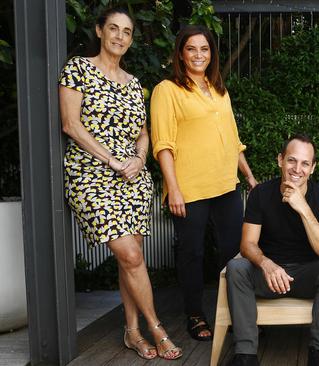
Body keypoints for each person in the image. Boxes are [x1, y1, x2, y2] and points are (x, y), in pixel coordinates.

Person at [58, 7, 181, 360]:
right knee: (129, 254)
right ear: (99, 31)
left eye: (126, 32)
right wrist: (111, 160)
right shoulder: (78, 68)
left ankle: (131, 332)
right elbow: (71, 125)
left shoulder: (132, 83)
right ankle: (156, 327)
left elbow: (143, 134)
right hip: (91, 174)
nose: (120, 36)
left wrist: (140, 159)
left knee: (133, 259)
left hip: (133, 177)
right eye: (113, 28)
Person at [150, 25, 257, 342]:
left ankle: (238, 313)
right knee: (192, 253)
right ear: (181, 54)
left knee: (233, 252)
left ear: (212, 54)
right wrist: (174, 188)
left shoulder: (218, 88)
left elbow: (233, 141)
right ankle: (194, 314)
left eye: (205, 49)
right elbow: (163, 145)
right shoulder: (167, 90)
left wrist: (249, 176)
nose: (199, 55)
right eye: (191, 49)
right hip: (190, 188)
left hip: (226, 185)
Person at [225, 134, 319, 366]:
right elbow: (247, 244)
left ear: (312, 168)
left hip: (307, 277)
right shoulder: (261, 194)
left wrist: (303, 208)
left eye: (305, 163)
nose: (297, 169)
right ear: (280, 160)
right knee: (236, 267)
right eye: (292, 160)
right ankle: (245, 355)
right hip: (268, 276)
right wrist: (267, 264)